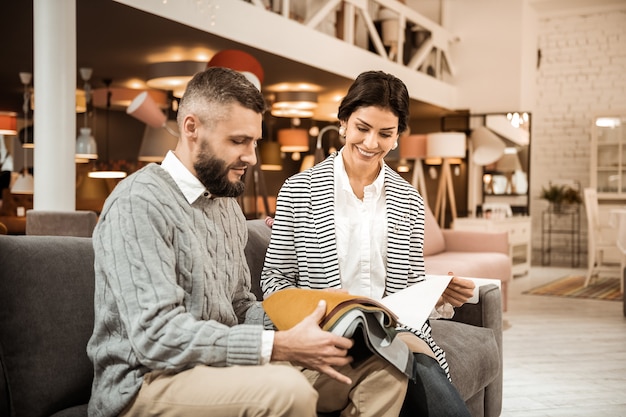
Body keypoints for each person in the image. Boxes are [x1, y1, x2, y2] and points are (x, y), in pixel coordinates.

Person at [87, 67, 408, 417]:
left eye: (254, 141)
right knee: (287, 391)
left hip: (224, 369)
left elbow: (241, 305)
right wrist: (276, 345)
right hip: (146, 382)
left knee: (386, 367)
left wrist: (324, 320)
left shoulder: (224, 205)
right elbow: (156, 336)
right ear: (191, 128)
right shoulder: (138, 202)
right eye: (238, 141)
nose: (252, 157)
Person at [261, 70, 475, 416]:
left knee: (411, 362)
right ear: (343, 122)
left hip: (394, 331)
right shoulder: (298, 190)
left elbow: (410, 286)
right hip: (330, 332)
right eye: (362, 128)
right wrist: (311, 319)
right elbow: (274, 280)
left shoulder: (410, 200)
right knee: (411, 370)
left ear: (397, 137)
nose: (372, 143)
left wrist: (436, 294)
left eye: (385, 133)